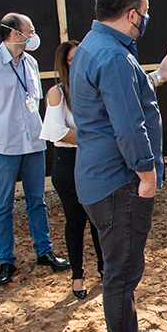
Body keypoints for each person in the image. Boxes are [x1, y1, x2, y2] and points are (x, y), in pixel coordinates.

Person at [71, 0, 167, 332]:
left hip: (97, 177)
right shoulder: (114, 56)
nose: (147, 19)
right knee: (122, 268)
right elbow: (127, 124)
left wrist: (158, 76)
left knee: (121, 263)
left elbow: (120, 97)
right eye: (146, 11)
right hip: (119, 182)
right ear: (132, 13)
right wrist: (148, 172)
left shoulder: (95, 47)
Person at [0, 13, 70, 287]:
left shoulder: (31, 63)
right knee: (3, 206)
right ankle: (6, 260)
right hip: (3, 148)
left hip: (32, 144)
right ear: (14, 33)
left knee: (37, 200)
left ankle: (44, 251)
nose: (33, 35)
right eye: (30, 30)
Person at [39, 40, 104, 300]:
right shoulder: (57, 92)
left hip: (94, 160)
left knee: (99, 219)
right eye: (71, 59)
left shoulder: (93, 89)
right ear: (64, 64)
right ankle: (77, 275)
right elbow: (55, 132)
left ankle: (104, 268)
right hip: (68, 163)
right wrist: (93, 135)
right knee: (76, 220)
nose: (78, 63)